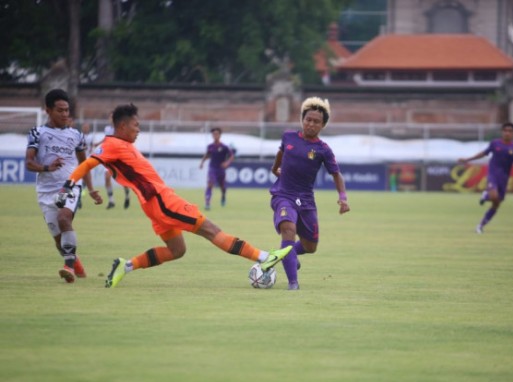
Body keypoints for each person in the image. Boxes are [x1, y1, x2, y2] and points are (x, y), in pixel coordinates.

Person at [55, 103, 291, 288]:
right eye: (136, 125)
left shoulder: (119, 144)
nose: (139, 129)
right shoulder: (112, 144)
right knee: (211, 230)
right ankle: (264, 257)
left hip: (154, 204)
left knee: (177, 250)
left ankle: (124, 267)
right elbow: (87, 164)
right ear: (123, 126)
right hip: (162, 201)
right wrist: (68, 185)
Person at [269, 97, 350, 290]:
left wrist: (343, 198)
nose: (311, 124)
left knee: (310, 246)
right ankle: (293, 284)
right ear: (302, 120)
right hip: (283, 195)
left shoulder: (323, 150)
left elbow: (336, 175)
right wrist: (275, 169)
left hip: (305, 200)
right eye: (308, 119)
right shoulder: (288, 137)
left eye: (316, 121)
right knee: (288, 230)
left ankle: (287, 255)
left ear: (322, 125)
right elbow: (281, 153)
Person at [25, 89, 103, 283]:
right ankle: (76, 266)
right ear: (48, 110)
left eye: (67, 110)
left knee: (64, 217)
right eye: (60, 110)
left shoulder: (76, 135)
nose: (65, 114)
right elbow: (28, 162)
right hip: (45, 191)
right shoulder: (37, 133)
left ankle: (68, 266)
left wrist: (91, 189)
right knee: (59, 240)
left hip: (69, 186)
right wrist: (47, 167)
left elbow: (85, 165)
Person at [458, 122, 513, 234]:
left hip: (504, 178)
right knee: (494, 196)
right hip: (493, 174)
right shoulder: (495, 143)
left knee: (496, 204)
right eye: (505, 130)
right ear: (502, 132)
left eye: (510, 131)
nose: (507, 133)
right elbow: (483, 153)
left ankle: (480, 225)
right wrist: (467, 159)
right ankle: (487, 194)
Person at [199, 127, 234, 210]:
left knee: (222, 187)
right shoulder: (210, 146)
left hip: (221, 170)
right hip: (212, 168)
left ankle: (223, 195)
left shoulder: (224, 147)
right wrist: (202, 162)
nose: (215, 135)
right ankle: (207, 203)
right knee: (210, 184)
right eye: (213, 134)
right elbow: (207, 155)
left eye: (216, 134)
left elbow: (232, 156)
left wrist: (227, 163)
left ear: (220, 135)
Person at [101, 115, 131, 209]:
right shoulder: (107, 129)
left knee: (123, 180)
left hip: (119, 157)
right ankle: (111, 200)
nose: (111, 119)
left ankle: (127, 196)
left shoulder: (121, 129)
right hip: (110, 157)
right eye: (110, 118)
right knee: (107, 177)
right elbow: (106, 140)